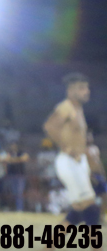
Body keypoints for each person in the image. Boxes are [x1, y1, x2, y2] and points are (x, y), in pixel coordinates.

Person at [44, 72, 98, 226]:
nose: (86, 91)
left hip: (78, 162)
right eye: (81, 88)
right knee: (90, 207)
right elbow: (50, 126)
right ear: (71, 90)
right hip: (69, 162)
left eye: (87, 88)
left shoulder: (78, 109)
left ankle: (52, 241)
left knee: (79, 209)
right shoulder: (66, 107)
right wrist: (67, 148)